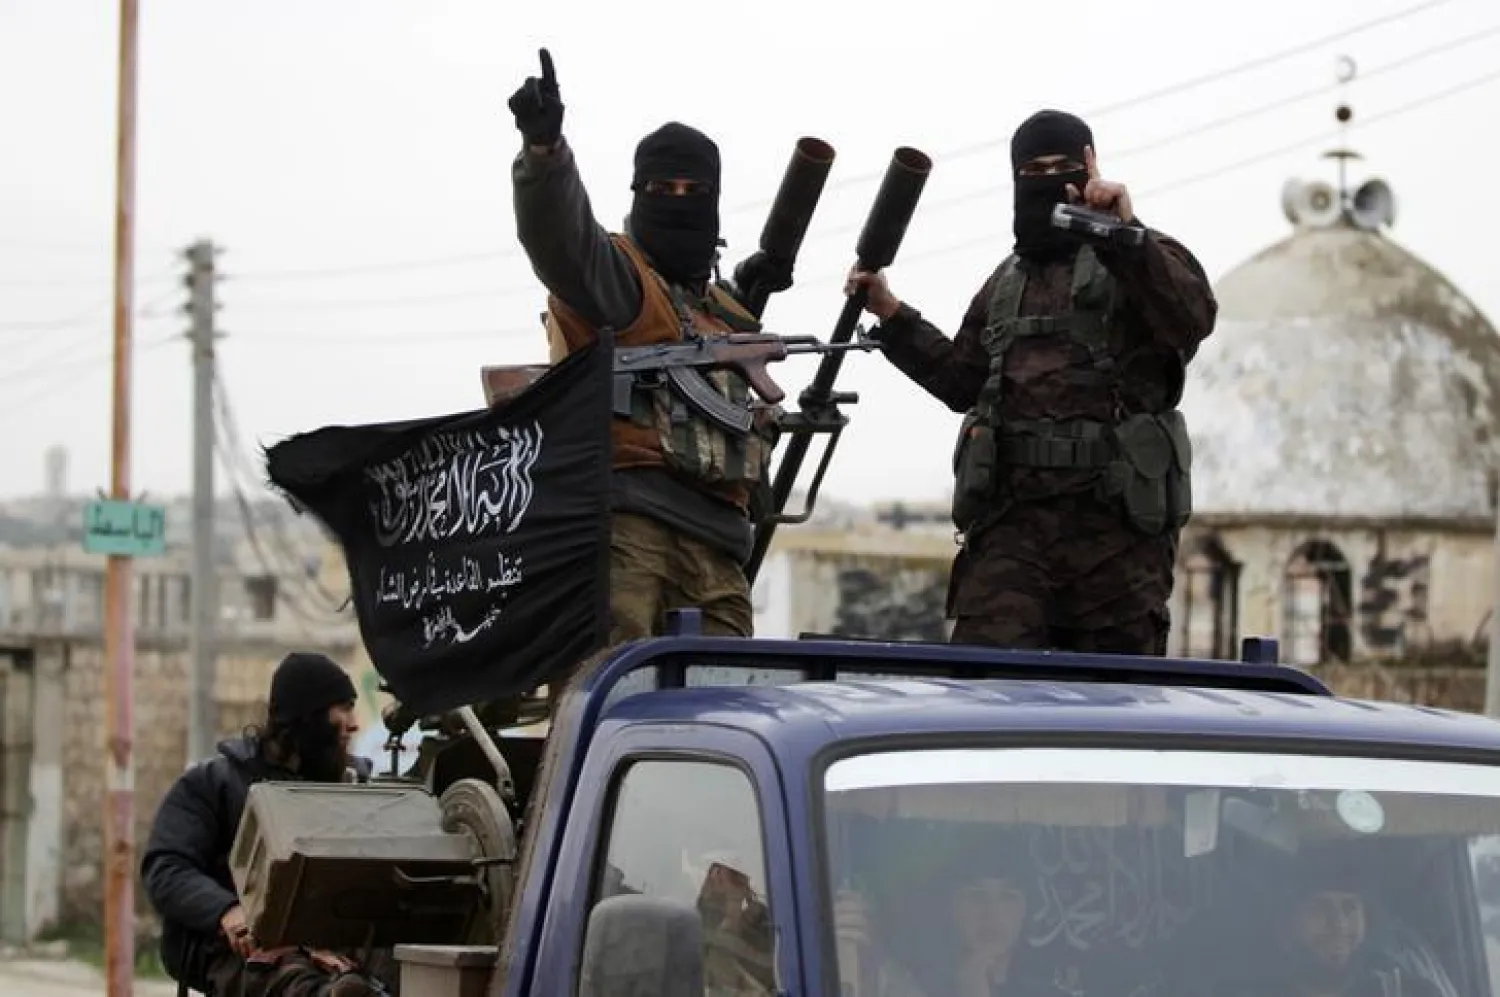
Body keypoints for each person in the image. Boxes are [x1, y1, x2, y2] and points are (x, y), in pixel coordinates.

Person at [845, 109, 1217, 655]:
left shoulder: (1141, 255)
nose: (1046, 180)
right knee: (985, 698)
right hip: (1012, 538)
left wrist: (1124, 236)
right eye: (1032, 170)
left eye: (1063, 167)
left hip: (1114, 545)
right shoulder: (1006, 282)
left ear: (1091, 169)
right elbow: (963, 381)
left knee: (1111, 715)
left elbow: (1192, 318)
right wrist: (893, 316)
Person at [507, 48, 794, 645]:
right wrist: (544, 155)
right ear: (638, 193)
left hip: (718, 547)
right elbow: (562, 239)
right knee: (611, 701)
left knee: (726, 713)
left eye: (695, 190)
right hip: (627, 530)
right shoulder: (619, 282)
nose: (679, 200)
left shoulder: (727, 312)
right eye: (664, 188)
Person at [140, 652, 386, 997]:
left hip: (331, 942)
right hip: (234, 946)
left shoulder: (353, 789)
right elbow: (166, 866)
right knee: (297, 985)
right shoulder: (214, 784)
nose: (354, 722)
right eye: (342, 708)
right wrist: (225, 911)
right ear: (306, 717)